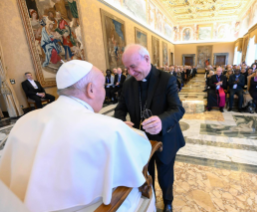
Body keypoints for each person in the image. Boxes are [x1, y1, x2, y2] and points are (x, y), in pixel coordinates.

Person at [1, 60, 154, 212]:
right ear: (91, 90)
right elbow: (140, 150)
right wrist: (125, 130)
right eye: (102, 86)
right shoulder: (111, 128)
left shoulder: (25, 120)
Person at [114, 44, 185, 212]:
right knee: (146, 174)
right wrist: (120, 121)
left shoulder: (167, 79)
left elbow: (178, 109)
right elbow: (120, 108)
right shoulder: (128, 84)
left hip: (165, 138)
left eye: (133, 67)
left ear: (146, 59)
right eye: (127, 68)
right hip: (141, 139)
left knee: (165, 176)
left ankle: (168, 201)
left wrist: (161, 121)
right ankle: (150, 198)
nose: (130, 72)